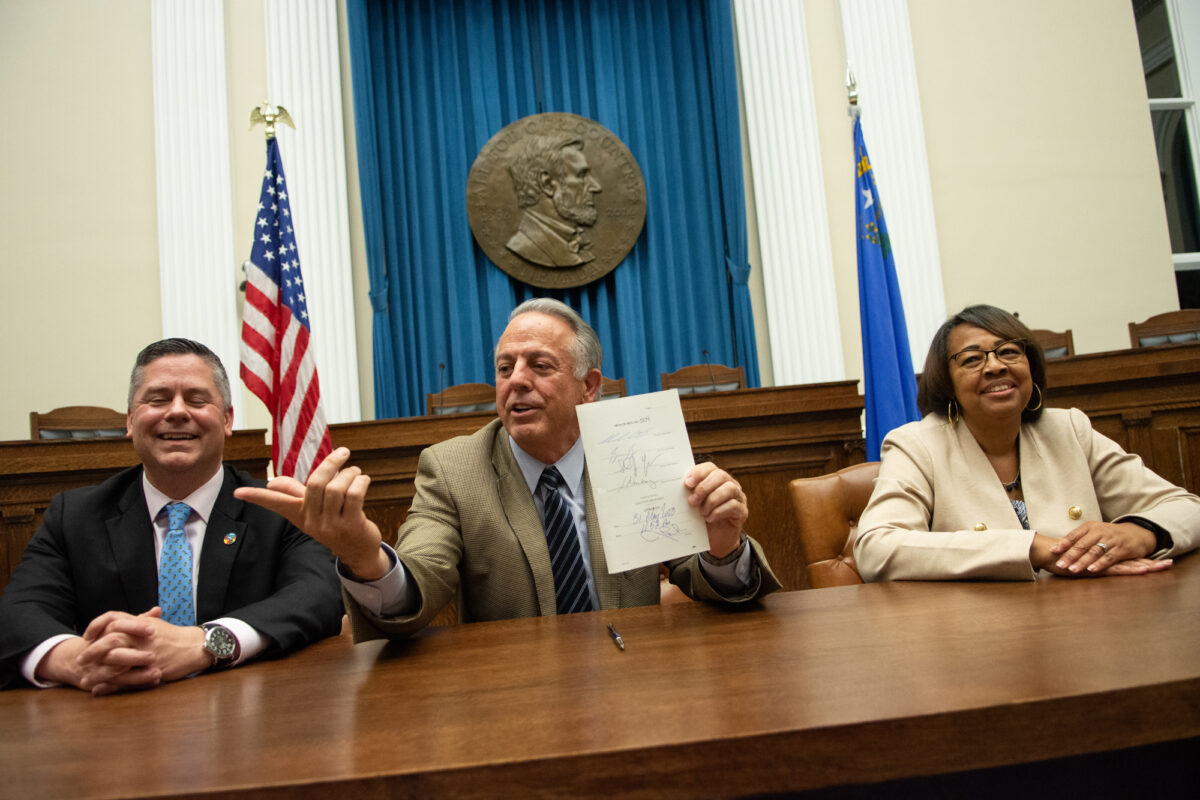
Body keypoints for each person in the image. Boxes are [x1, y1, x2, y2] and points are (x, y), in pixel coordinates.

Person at [237, 299, 780, 640]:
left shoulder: (637, 447)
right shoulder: (452, 469)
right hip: (511, 699)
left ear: (589, 386)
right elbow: (420, 584)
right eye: (504, 367)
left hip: (635, 681)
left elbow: (714, 583)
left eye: (539, 366)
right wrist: (364, 557)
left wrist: (723, 549)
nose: (515, 380)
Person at [0, 339, 343, 694]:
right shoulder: (74, 517)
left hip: (251, 716)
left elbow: (318, 596)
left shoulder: (276, 509)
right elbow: (19, 613)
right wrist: (78, 660)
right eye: (158, 399)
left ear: (227, 420)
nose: (177, 411)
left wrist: (208, 643)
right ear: (131, 421)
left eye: (196, 400)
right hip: (114, 723)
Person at [855, 304, 1200, 581]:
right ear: (947, 383)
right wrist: (1033, 549)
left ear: (1030, 367)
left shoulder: (1069, 429)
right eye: (972, 359)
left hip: (1090, 622)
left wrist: (1140, 534)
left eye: (1008, 352)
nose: (995, 367)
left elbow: (1188, 509)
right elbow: (877, 548)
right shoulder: (916, 445)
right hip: (978, 637)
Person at [505, 135, 602, 267]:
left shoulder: (574, 238)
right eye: (582, 175)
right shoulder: (523, 246)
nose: (596, 186)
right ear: (548, 184)